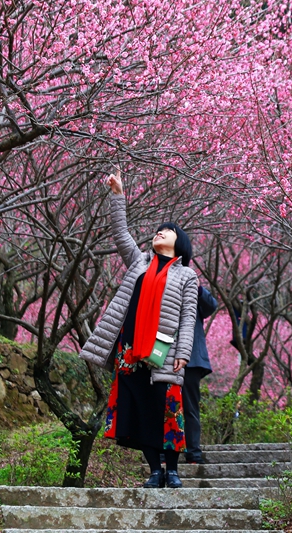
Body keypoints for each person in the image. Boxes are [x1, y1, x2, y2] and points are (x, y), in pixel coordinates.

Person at [79, 171, 198, 489]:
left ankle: (171, 469)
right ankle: (154, 470)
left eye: (167, 231)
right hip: (129, 346)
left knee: (167, 405)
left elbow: (188, 317)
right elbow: (120, 233)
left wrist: (183, 354)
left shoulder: (187, 276)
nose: (159, 233)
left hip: (165, 349)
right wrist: (117, 195)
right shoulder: (139, 262)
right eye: (158, 231)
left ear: (180, 243)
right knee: (141, 406)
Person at [183, 285, 218, 464]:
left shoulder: (191, 287)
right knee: (163, 407)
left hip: (191, 358)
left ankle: (193, 453)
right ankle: (164, 453)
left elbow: (211, 306)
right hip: (164, 356)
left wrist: (197, 287)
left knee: (190, 407)